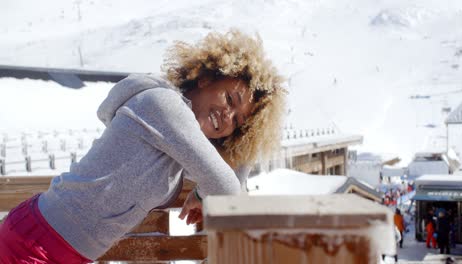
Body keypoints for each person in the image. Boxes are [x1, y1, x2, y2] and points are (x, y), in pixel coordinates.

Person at [0, 29, 287, 263]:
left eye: (237, 122)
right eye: (229, 100)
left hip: (64, 251)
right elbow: (226, 188)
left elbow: (233, 178)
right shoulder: (164, 106)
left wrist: (243, 143)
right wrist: (206, 189)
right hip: (34, 243)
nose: (228, 116)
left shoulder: (176, 147)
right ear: (205, 78)